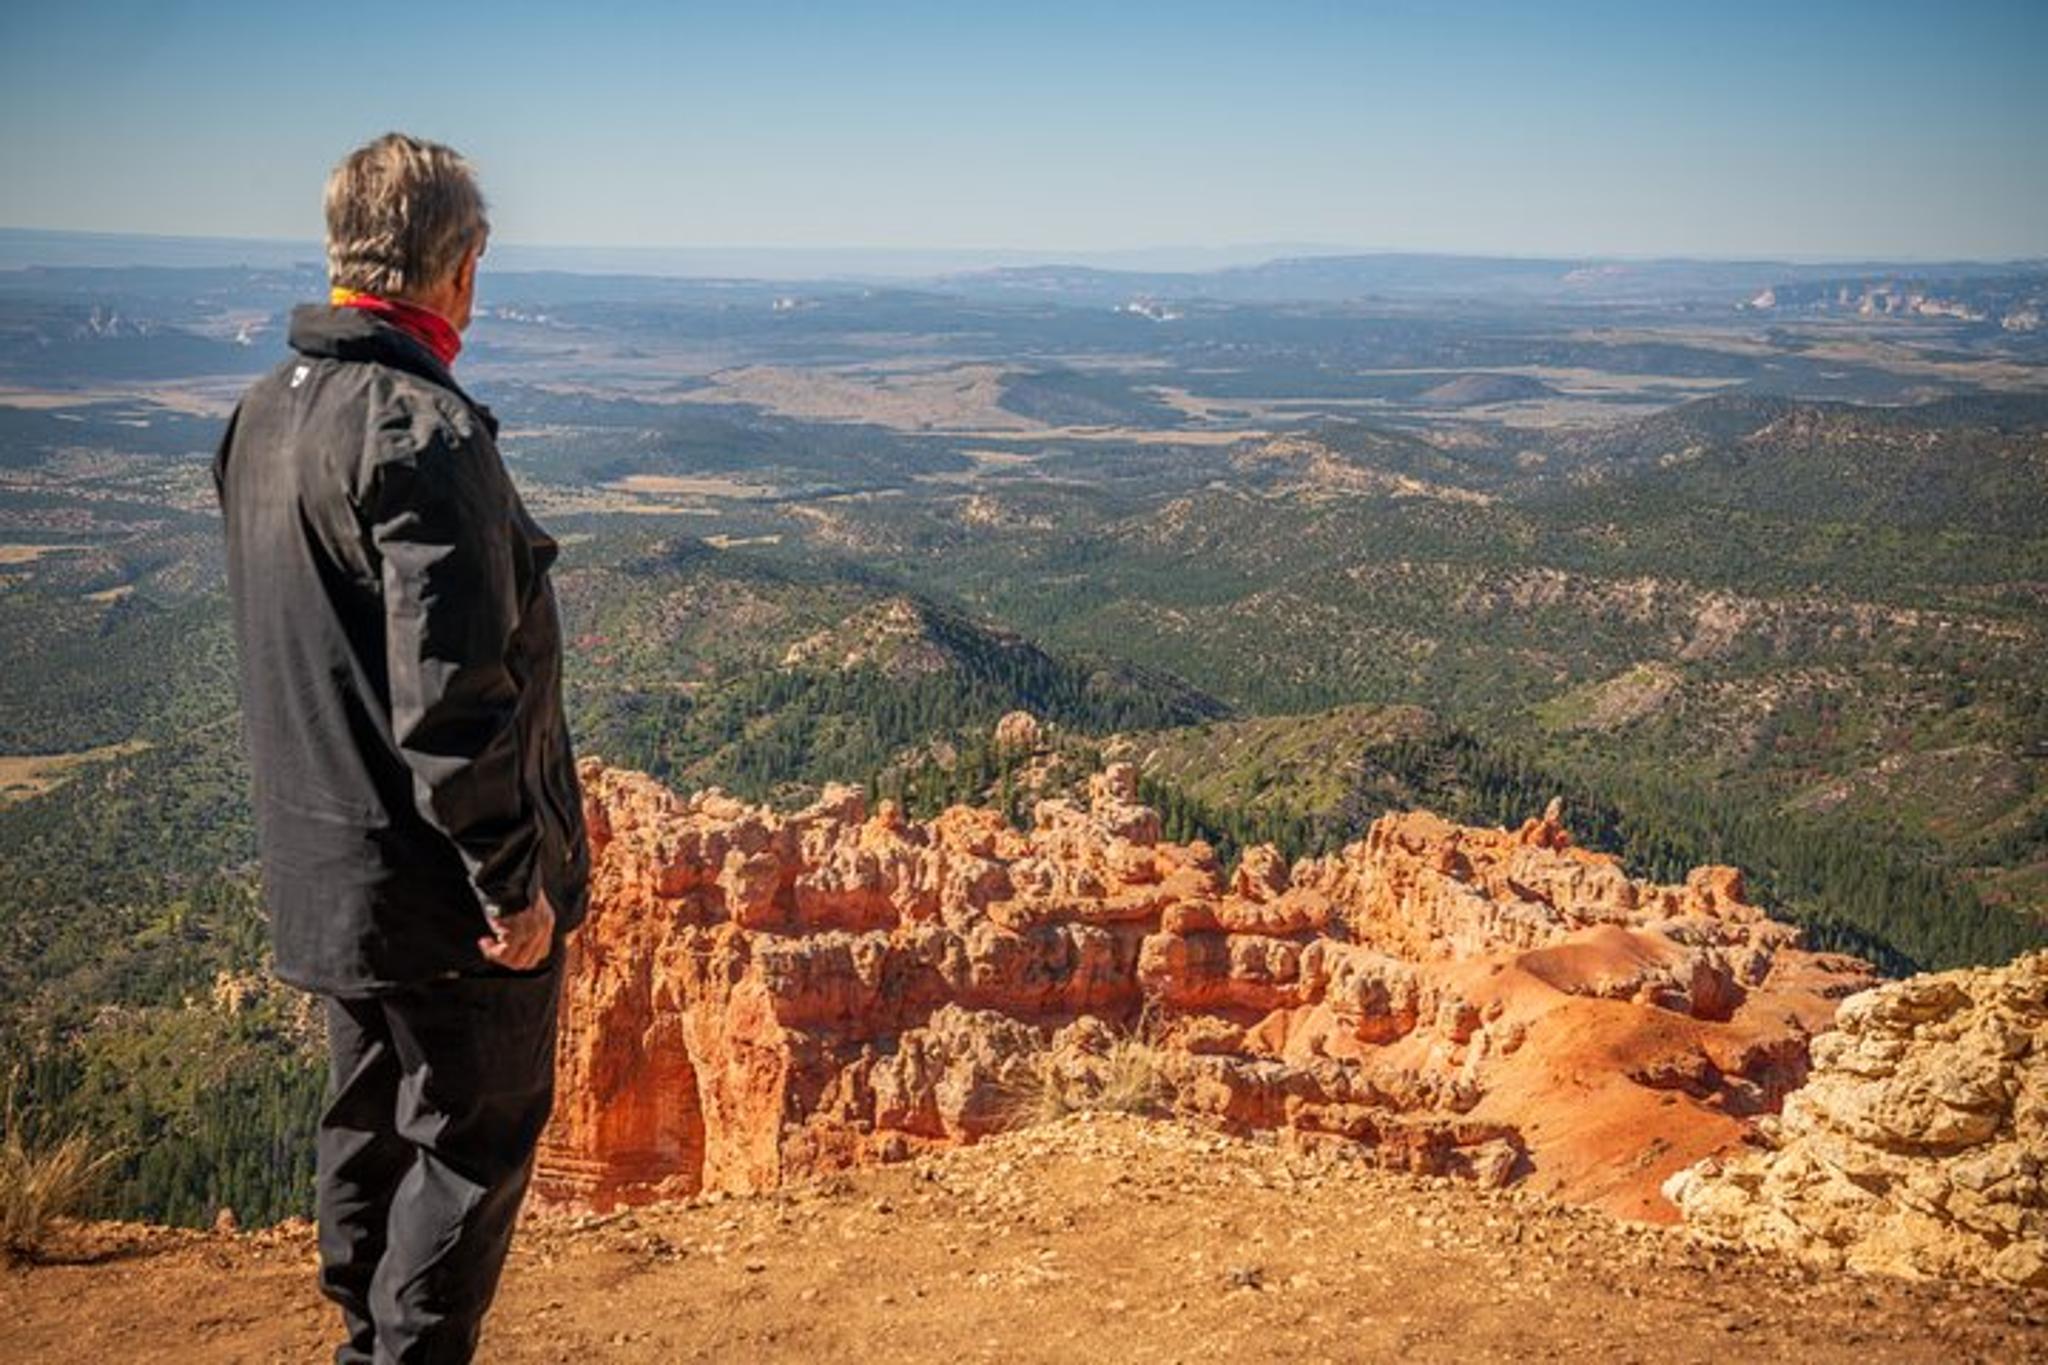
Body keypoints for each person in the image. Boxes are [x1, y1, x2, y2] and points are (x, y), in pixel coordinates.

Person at [212, 132, 589, 1364]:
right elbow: (452, 703)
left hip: (331, 878)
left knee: (367, 1126)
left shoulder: (263, 417)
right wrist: (511, 883)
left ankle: (358, 1347)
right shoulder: (423, 435)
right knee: (469, 1144)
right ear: (462, 269)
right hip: (441, 896)